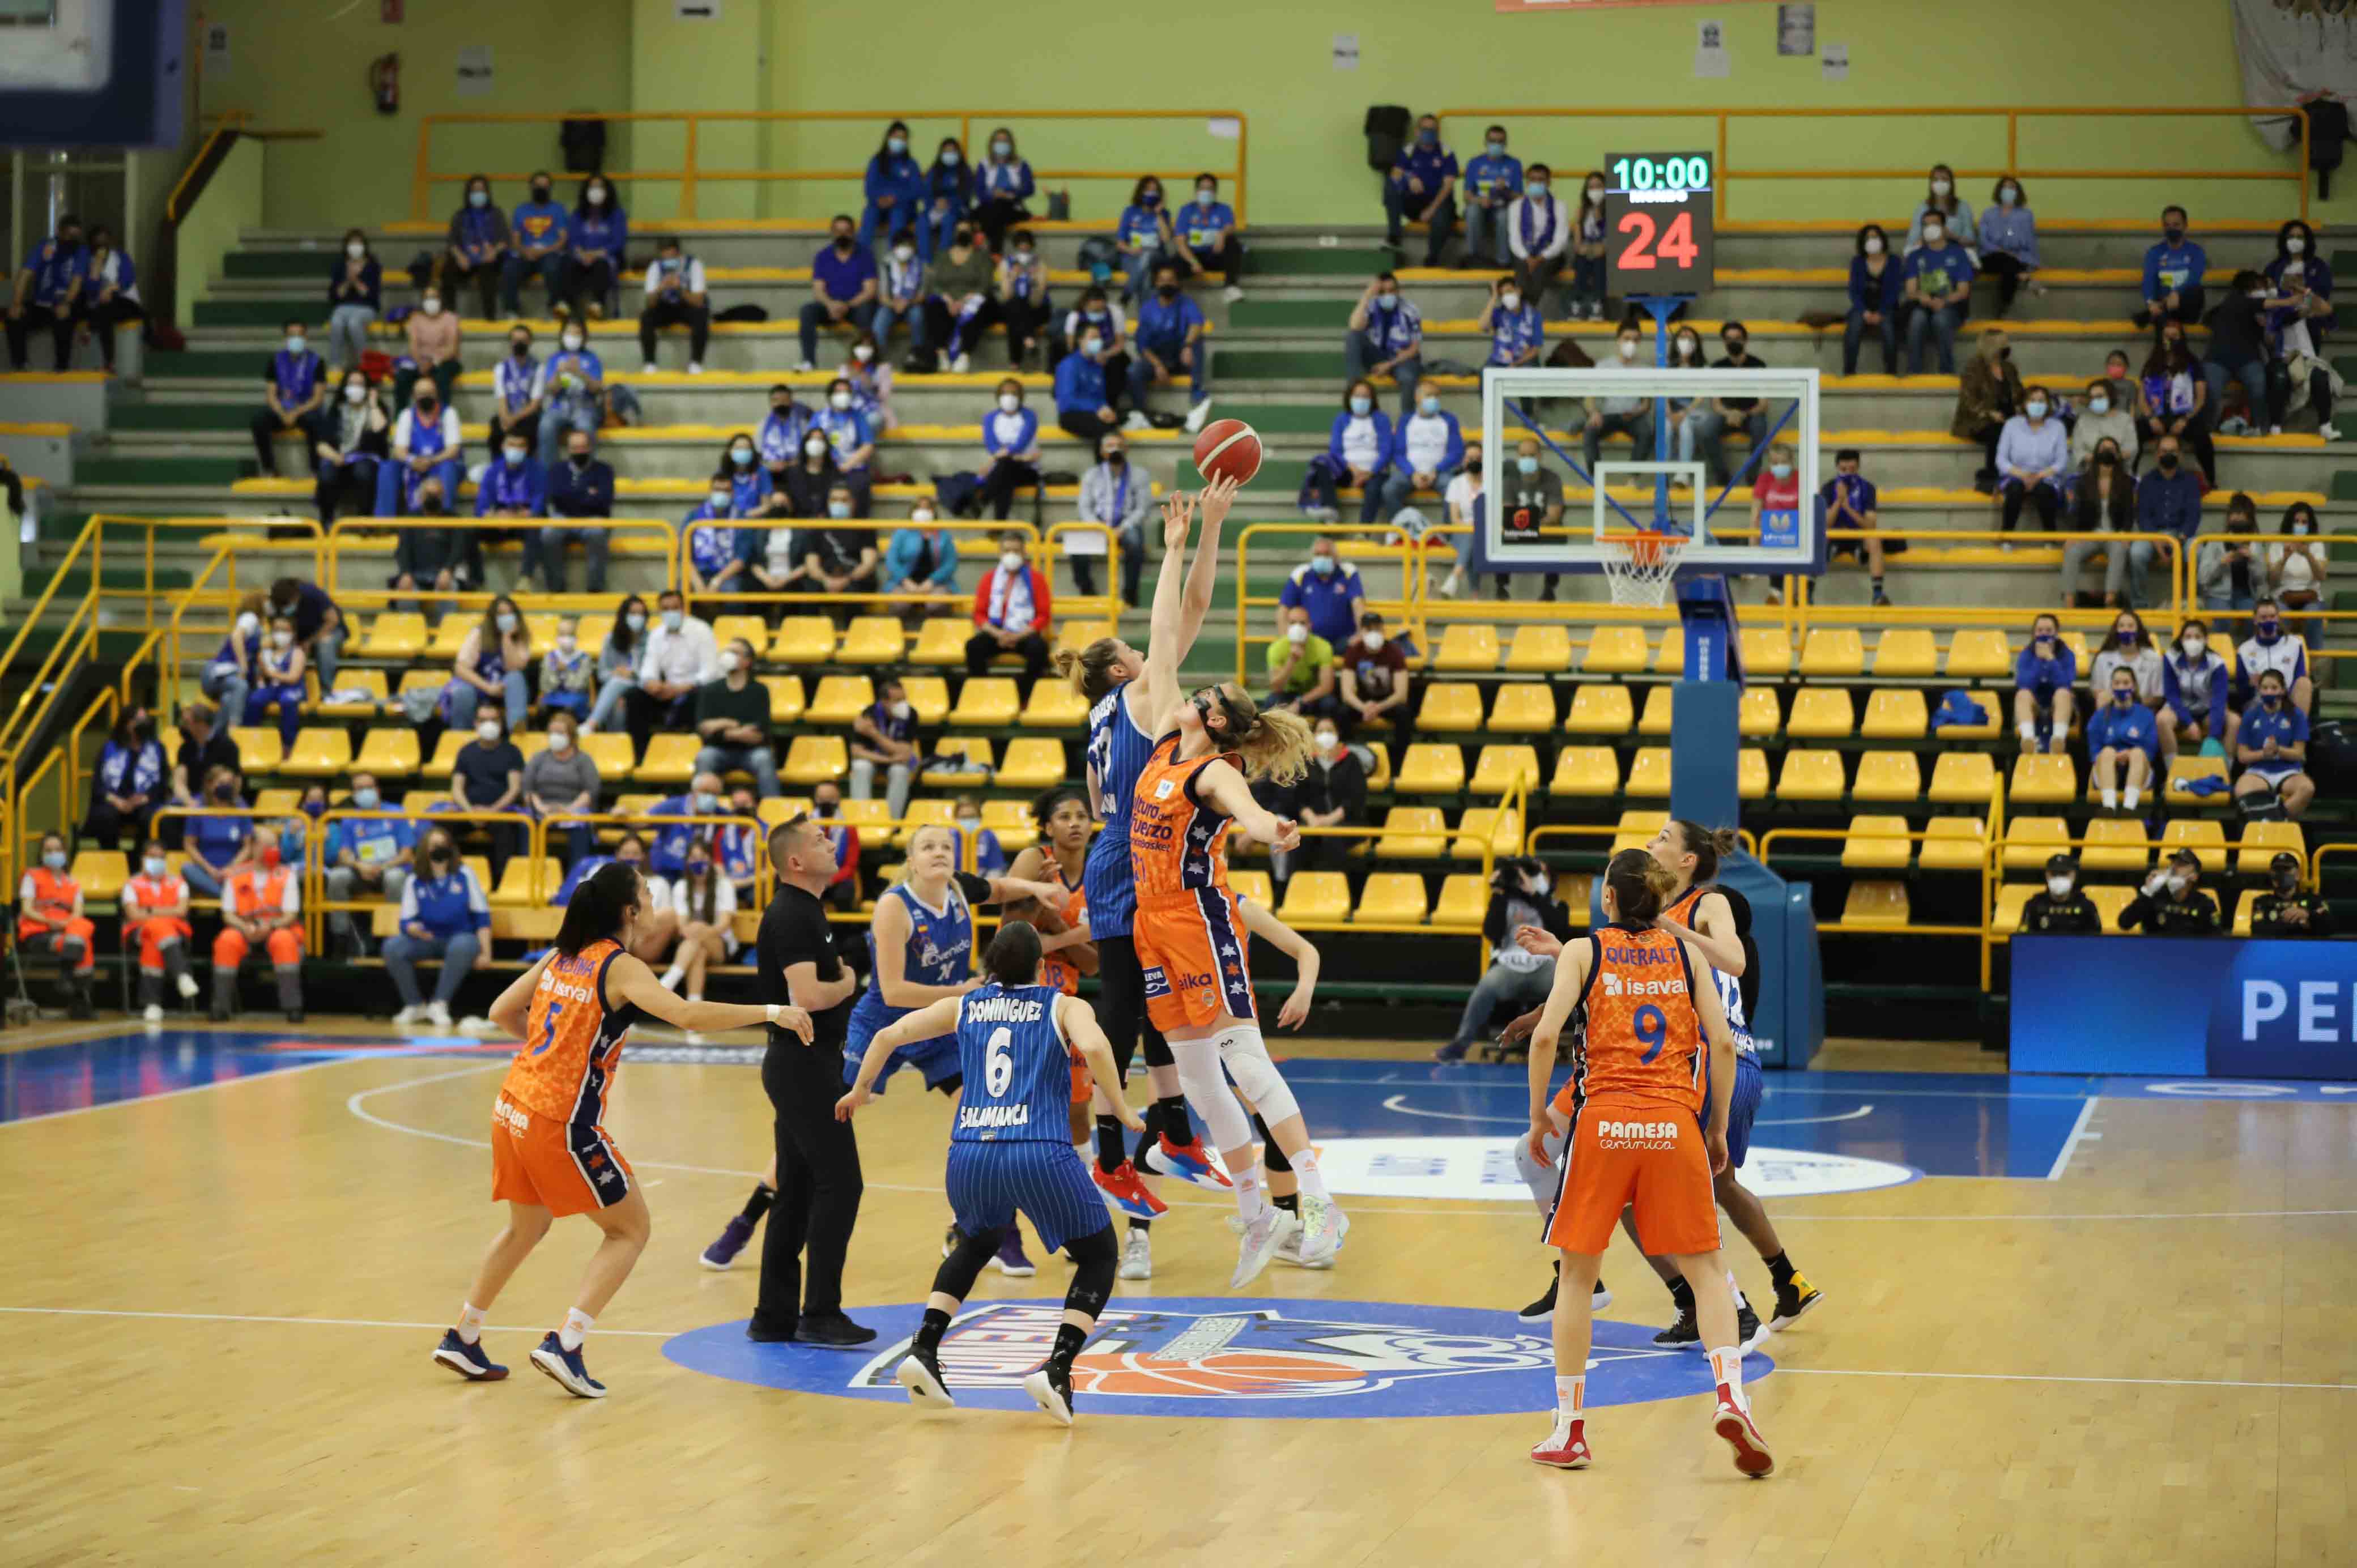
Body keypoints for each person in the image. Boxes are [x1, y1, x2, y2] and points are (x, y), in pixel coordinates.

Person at [432, 860, 807, 1395]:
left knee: (526, 1227)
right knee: (629, 1230)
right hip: (562, 1120)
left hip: (512, 1107)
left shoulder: (562, 954)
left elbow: (500, 1010)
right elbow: (687, 1015)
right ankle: (567, 1342)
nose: (656, 904)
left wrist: (548, 1056)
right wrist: (773, 1011)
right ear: (630, 911)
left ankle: (464, 1336)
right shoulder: (620, 966)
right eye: (649, 896)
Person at [1522, 849, 1770, 1476]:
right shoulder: (1688, 954)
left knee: (1578, 1276)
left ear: (1607, 899)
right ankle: (1730, 1395)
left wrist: (1534, 1117)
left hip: (1603, 1122)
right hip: (1673, 1122)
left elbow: (1545, 1035)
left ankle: (1569, 1429)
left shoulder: (1583, 950)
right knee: (1710, 1272)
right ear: (1660, 900)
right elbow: (1720, 1042)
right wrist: (1713, 1126)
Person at [843, 917, 1138, 1424]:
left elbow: (890, 1033)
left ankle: (923, 1349)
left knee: (977, 1242)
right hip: (1038, 1149)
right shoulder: (1063, 1003)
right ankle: (1059, 1368)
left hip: (970, 1151)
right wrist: (1124, 1108)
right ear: (1043, 967)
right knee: (1099, 1253)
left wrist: (861, 1089)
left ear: (990, 968)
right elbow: (1092, 1046)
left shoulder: (965, 1005)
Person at [1054, 480, 1240, 1268]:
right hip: (1131, 862)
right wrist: (1174, 547)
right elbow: (1173, 621)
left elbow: (1185, 615)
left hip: (1127, 857)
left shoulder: (1117, 712)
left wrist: (1212, 534)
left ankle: (1170, 1136)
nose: (1152, 649)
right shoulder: (1135, 695)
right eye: (1136, 652)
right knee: (1125, 1011)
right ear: (1119, 669)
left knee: (1157, 1006)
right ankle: (1112, 1153)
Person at [1132, 667, 1345, 1280]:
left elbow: (1247, 813)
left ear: (1216, 719)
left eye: (1201, 697)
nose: (1187, 697)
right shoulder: (1168, 745)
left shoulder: (1216, 770)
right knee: (1198, 1080)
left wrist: (1270, 830)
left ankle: (1318, 1203)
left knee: (1244, 1062)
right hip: (1153, 925)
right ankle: (1255, 1215)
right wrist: (1177, 564)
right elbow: (1163, 644)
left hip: (1199, 917)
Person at [744, 815, 873, 1345]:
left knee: (795, 1189)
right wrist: (849, 980)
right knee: (841, 1183)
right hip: (804, 1065)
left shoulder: (806, 910)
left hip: (802, 1064)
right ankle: (820, 1311)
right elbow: (808, 998)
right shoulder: (793, 913)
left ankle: (773, 1316)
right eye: (821, 840)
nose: (832, 844)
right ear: (796, 861)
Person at [1434, 857, 1569, 1064]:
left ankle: (1592, 1047)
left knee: (1575, 988)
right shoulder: (1504, 901)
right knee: (1485, 988)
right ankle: (1460, 1046)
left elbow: (1560, 930)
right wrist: (1498, 893)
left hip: (1545, 967)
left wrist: (1534, 894)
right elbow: (1492, 933)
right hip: (1508, 967)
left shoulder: (1556, 904)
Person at [384, 826, 494, 1028]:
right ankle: (414, 1005)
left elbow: (482, 916)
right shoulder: (414, 879)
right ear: (425, 849)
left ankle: (439, 1004)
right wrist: (412, 929)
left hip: (461, 937)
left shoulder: (465, 874)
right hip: (428, 939)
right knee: (393, 947)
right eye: (434, 845)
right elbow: (405, 921)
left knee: (462, 945)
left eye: (443, 845)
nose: (439, 849)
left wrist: (486, 952)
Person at [320, 773, 412, 960]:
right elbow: (344, 853)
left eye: (368, 788)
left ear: (377, 790)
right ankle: (342, 938)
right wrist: (359, 865)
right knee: (337, 877)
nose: (364, 792)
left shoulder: (396, 813)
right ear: (353, 795)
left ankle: (393, 936)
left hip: (390, 870)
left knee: (395, 878)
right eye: (358, 789)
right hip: (361, 873)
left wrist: (383, 867)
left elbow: (407, 854)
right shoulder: (349, 819)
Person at [1266, 719, 1368, 888]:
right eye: (1321, 731)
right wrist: (1312, 818)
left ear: (1338, 734)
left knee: (1332, 840)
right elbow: (1299, 797)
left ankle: (1335, 892)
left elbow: (1356, 798)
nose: (1325, 735)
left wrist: (1329, 820)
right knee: (1298, 841)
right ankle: (1295, 892)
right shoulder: (1307, 762)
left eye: (1330, 730)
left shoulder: (1352, 761)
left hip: (1347, 822)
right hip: (1313, 822)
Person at [211, 843, 304, 1023]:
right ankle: (220, 1007)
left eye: (275, 845)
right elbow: (228, 914)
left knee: (285, 940)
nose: (273, 850)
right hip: (244, 927)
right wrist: (245, 927)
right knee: (226, 941)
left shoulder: (287, 874)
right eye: (267, 845)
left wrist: (269, 926)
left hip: (277, 927)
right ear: (254, 849)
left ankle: (293, 1007)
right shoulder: (235, 875)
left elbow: (291, 915)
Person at [16, 832, 96, 1017]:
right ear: (42, 854)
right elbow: (27, 910)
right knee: (83, 941)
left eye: (58, 849)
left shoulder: (74, 883)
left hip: (66, 932)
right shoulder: (32, 877)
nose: (54, 854)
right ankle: (80, 1001)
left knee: (83, 927)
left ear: (65, 853)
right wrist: (50, 922)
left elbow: (77, 913)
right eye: (49, 850)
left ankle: (67, 978)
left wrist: (64, 924)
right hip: (38, 933)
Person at [657, 841, 741, 1014]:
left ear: (711, 861)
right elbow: (681, 925)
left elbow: (724, 925)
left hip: (720, 945)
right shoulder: (681, 887)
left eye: (703, 858)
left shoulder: (724, 885)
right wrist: (694, 930)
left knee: (696, 936)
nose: (699, 862)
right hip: (693, 944)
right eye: (694, 858)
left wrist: (700, 929)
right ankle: (694, 1009)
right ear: (687, 861)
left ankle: (670, 981)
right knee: (699, 952)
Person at [122, 840, 201, 1021]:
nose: (156, 861)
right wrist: (164, 913)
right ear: (143, 859)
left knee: (155, 938)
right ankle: (182, 975)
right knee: (156, 927)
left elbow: (181, 911)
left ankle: (153, 1004)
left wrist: (149, 911)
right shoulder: (132, 884)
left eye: (160, 858)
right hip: (140, 932)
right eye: (152, 857)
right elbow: (133, 915)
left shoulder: (179, 883)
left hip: (174, 932)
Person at [693, 636, 780, 799]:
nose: (728, 656)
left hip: (752, 752)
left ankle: (773, 810)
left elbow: (758, 733)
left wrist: (720, 729)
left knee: (764, 758)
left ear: (747, 661)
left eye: (734, 653)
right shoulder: (710, 690)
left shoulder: (760, 691)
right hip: (718, 751)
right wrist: (733, 725)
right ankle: (699, 807)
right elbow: (703, 727)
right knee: (705, 756)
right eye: (727, 652)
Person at [450, 709, 527, 885]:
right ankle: (452, 875)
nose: (489, 724)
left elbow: (514, 789)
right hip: (470, 811)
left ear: (501, 724)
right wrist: (471, 812)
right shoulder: (466, 752)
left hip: (500, 812)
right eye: (484, 720)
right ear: (475, 723)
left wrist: (491, 812)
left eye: (494, 719)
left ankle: (502, 882)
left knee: (506, 832)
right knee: (442, 827)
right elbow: (457, 789)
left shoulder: (512, 752)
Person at [1134, 260, 1212, 433]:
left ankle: (1197, 395)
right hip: (1158, 359)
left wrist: (1187, 345)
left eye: (1171, 280)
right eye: (1162, 280)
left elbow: (1197, 324)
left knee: (1197, 342)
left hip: (1181, 358)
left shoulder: (1186, 303)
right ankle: (1140, 414)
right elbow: (1142, 344)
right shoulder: (1147, 309)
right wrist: (1157, 365)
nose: (1167, 283)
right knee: (1134, 371)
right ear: (1156, 283)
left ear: (1177, 283)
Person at [1075, 431, 1151, 604]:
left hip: (1126, 525)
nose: (1114, 449)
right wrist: (1100, 528)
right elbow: (1084, 508)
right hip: (1097, 525)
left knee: (1135, 544)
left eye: (1118, 445)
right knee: (1077, 547)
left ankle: (1130, 594)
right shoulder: (1091, 475)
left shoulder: (1140, 475)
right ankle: (1086, 589)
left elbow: (1142, 508)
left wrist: (1123, 528)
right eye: (1109, 446)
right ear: (1102, 451)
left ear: (1126, 449)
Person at [1305, 380, 1393, 526]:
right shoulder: (1341, 419)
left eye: (1366, 397)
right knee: (1320, 466)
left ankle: (1364, 531)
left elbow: (1386, 451)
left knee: (1373, 490)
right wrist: (1351, 469)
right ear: (1350, 398)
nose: (1361, 400)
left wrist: (1369, 472)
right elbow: (1335, 450)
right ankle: (1330, 511)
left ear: (1372, 400)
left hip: (1374, 473)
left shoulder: (1381, 419)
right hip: (1347, 470)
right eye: (1358, 396)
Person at [967, 527, 1052, 679]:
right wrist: (999, 634)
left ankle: (1026, 695)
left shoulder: (1036, 579)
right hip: (997, 631)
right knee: (974, 647)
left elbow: (1043, 615)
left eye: (1016, 551)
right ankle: (983, 693)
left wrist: (1018, 636)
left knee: (1039, 649)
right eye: (1007, 551)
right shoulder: (989, 579)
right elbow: (979, 614)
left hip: (1024, 632)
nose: (1011, 555)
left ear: (1024, 553)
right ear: (1000, 554)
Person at [798, 215, 879, 373]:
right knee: (807, 311)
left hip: (856, 306)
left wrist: (846, 306)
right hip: (830, 306)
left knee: (867, 312)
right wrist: (831, 305)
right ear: (832, 233)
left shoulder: (865, 255)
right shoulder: (823, 256)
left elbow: (870, 291)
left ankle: (865, 363)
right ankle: (809, 361)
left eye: (846, 231)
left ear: (853, 233)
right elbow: (818, 289)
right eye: (838, 231)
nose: (842, 235)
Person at [2129, 434, 2203, 605]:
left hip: (2182, 534)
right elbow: (2143, 516)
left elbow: (2194, 515)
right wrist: (2156, 541)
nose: (2168, 454)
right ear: (2157, 455)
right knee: (2136, 554)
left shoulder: (2191, 481)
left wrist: (2180, 540)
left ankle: (2195, 601)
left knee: (2197, 552)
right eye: (2164, 451)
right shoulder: (2147, 481)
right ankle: (2140, 603)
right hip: (2153, 535)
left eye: (2173, 451)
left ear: (2180, 455)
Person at [376, 377, 463, 521]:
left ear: (437, 394)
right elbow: (399, 451)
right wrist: (413, 461)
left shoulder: (449, 413)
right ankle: (384, 523)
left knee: (448, 468)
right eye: (421, 393)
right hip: (414, 465)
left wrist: (430, 461)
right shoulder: (407, 415)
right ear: (414, 396)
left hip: (440, 464)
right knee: (387, 467)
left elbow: (453, 450)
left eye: (430, 393)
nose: (426, 397)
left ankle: (446, 523)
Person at [312, 369, 390, 527]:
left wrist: (373, 404)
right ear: (345, 387)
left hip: (366, 460)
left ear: (367, 388)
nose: (356, 388)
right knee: (327, 473)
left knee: (363, 471)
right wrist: (335, 457)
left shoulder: (376, 408)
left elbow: (381, 429)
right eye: (352, 384)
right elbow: (321, 445)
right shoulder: (336, 410)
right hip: (339, 459)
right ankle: (326, 520)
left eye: (360, 384)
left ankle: (364, 520)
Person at [2061, 440, 2136, 607]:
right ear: (2096, 453)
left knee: (2119, 550)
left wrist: (2125, 533)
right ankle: (2069, 599)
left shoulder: (2126, 482)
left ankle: (2110, 597)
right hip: (2090, 534)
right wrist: (2072, 536)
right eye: (2104, 449)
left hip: (2115, 534)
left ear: (2117, 455)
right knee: (2072, 552)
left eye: (2111, 449)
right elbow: (2075, 512)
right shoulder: (2083, 482)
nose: (2107, 452)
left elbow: (2130, 513)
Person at [250, 320, 327, 479]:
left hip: (306, 410)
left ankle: (316, 470)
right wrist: (281, 412)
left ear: (306, 337)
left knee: (317, 422)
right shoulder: (276, 360)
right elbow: (271, 395)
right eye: (292, 335)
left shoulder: (317, 361)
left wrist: (296, 413)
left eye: (300, 335)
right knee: (259, 421)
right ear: (286, 338)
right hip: (282, 410)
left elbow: (318, 398)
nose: (296, 339)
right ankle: (269, 469)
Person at [2140, 320, 2215, 485]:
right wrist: (2151, 417)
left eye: (2175, 336)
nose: (2171, 340)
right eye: (2167, 336)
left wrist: (2185, 419)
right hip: (2157, 416)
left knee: (2203, 438)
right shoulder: (2152, 363)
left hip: (2183, 416)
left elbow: (2201, 398)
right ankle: (2130, 476)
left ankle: (2211, 480)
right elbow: (2142, 397)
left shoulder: (2193, 363)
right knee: (2135, 432)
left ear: (2182, 338)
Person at [542, 428, 616, 594]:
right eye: (575, 448)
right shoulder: (557, 469)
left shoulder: (604, 470)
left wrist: (573, 494)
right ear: (568, 449)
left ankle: (595, 588)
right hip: (564, 518)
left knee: (597, 533)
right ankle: (555, 587)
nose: (579, 451)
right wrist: (588, 493)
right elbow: (555, 497)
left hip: (594, 519)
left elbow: (605, 500)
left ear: (590, 448)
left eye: (583, 447)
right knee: (548, 533)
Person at [1901, 212, 1976, 373]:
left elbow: (1963, 291)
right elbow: (1910, 291)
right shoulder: (1915, 256)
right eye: (1926, 225)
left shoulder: (1958, 253)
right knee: (1916, 320)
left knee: (1941, 320)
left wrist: (1944, 302)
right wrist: (1923, 298)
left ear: (1944, 228)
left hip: (1952, 305)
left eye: (1934, 224)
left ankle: (1946, 372)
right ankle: (1914, 373)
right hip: (1924, 304)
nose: (1929, 228)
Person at [84, 704, 166, 851]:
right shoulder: (109, 748)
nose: (143, 724)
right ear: (126, 724)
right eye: (138, 721)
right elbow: (98, 787)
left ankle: (139, 858)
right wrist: (117, 802)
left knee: (151, 817)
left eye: (145, 720)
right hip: (115, 801)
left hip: (145, 801)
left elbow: (162, 785)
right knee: (105, 816)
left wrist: (143, 799)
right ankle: (112, 859)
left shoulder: (158, 748)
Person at [444, 594, 530, 734]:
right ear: (493, 617)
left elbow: (515, 667)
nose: (506, 618)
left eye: (510, 613)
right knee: (462, 692)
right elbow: (460, 668)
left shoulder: (521, 638)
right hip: (480, 685)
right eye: (501, 614)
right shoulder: (479, 633)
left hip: (505, 688)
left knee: (516, 678)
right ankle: (460, 735)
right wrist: (488, 688)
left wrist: (507, 638)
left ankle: (517, 729)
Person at [2236, 668, 2315, 819]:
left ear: (2283, 690)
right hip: (2258, 771)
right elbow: (2242, 756)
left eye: (2274, 688)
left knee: (2307, 788)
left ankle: (2274, 820)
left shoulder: (2296, 715)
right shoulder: (2250, 716)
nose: (2269, 692)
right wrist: (2264, 754)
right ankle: (2274, 819)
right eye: (2265, 688)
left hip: (2289, 770)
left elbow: (2298, 753)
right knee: (2242, 790)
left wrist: (2279, 750)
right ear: (2259, 691)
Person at [1343, 272, 1423, 419]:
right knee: (1353, 337)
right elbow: (1354, 326)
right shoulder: (1372, 306)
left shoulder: (1410, 311)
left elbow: (1414, 349)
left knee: (1408, 377)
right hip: (1376, 355)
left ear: (1398, 291)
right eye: (1382, 292)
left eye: (1392, 291)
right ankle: (1354, 391)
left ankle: (1406, 422)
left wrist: (1389, 365)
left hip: (1400, 360)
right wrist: (1367, 296)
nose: (1388, 295)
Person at [1954, 327, 2024, 490]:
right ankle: (1991, 477)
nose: (2007, 345)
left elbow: (2019, 392)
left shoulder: (2009, 368)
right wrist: (1989, 413)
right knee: (1998, 432)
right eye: (2003, 342)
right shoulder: (1974, 367)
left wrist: (2022, 405)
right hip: (1980, 419)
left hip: (2008, 416)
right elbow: (1968, 399)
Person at [1383, 389, 1466, 527]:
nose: (1433, 399)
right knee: (1389, 490)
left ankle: (1449, 535)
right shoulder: (1406, 420)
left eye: (1436, 396)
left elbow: (1456, 452)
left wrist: (1436, 471)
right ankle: (1403, 532)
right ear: (1417, 397)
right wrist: (1412, 473)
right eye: (1429, 395)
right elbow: (1398, 453)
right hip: (1410, 473)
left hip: (1440, 473)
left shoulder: (1449, 420)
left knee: (1453, 489)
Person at [1385, 114, 1460, 267]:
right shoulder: (1409, 151)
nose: (1429, 133)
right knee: (1390, 185)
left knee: (1442, 215)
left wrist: (1432, 210)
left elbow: (1448, 186)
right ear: (1417, 131)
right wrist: (1409, 177)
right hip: (1414, 202)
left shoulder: (1447, 153)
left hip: (1438, 203)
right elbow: (1395, 174)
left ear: (1438, 132)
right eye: (1425, 129)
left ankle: (1433, 257)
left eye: (1433, 130)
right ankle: (1394, 235)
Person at [1584, 320, 1657, 476]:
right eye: (1627, 339)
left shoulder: (1646, 369)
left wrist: (1635, 413)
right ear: (1618, 340)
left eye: (1635, 340)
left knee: (1646, 433)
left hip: (1634, 417)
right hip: (1608, 415)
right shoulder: (1604, 366)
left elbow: (1646, 404)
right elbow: (1589, 396)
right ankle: (1595, 478)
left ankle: (1632, 479)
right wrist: (1594, 412)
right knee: (1590, 431)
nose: (1631, 343)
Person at [925, 222, 998, 375]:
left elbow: (985, 285)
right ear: (954, 234)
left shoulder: (982, 257)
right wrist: (949, 300)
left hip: (973, 300)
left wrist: (965, 301)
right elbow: (934, 284)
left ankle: (964, 356)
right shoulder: (942, 256)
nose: (963, 234)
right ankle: (942, 355)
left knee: (979, 310)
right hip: (947, 300)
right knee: (933, 307)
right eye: (960, 231)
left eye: (966, 231)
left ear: (972, 234)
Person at [1338, 611, 1413, 756]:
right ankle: (1350, 755)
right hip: (1363, 703)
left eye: (1377, 629)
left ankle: (1400, 760)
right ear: (1361, 632)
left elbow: (1401, 694)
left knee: (1404, 713)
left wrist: (1378, 708)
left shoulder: (1395, 652)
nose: (1373, 633)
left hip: (1388, 703)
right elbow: (1346, 693)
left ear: (1383, 630)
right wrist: (1363, 708)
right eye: (1368, 629)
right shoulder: (1353, 652)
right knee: (1342, 712)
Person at [1821, 449, 1890, 606]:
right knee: (1814, 538)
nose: (1847, 473)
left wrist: (1848, 507)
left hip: (1858, 537)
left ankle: (1878, 594)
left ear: (1858, 468)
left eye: (1852, 470)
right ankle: (1806, 595)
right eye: (1843, 470)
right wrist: (1838, 501)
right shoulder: (1828, 488)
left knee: (1874, 539)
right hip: (1835, 537)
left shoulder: (1868, 488)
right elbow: (1825, 524)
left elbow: (1871, 525)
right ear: (1837, 468)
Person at [2088, 663, 2161, 813]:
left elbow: (2151, 749)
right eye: (2117, 683)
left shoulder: (2146, 715)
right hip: (2108, 767)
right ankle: (2109, 806)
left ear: (2133, 686)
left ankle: (2129, 807)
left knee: (2138, 753)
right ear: (2112, 687)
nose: (2121, 687)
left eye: (2126, 683)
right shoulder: (2100, 716)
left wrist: (2129, 754)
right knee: (2107, 751)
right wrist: (2115, 756)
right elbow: (2094, 750)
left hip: (2139, 768)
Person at [1996, 385, 2066, 535]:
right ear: (2024, 404)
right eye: (2032, 400)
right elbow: (2001, 459)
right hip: (2016, 474)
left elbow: (2061, 462)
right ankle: (2006, 537)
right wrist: (2023, 476)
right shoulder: (2012, 425)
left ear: (2047, 405)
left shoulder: (2058, 427)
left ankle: (2050, 537)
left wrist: (2038, 476)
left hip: (2047, 476)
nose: (2037, 404)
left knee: (2044, 490)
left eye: (2041, 401)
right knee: (2015, 489)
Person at [1278, 532, 1369, 649]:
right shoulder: (1300, 574)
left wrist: (1360, 634)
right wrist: (1285, 641)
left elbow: (1358, 604)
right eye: (1318, 555)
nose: (1322, 558)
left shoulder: (1348, 572)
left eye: (1326, 554)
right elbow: (1283, 610)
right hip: (1309, 641)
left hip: (1343, 640)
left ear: (1336, 557)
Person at [2161, 617, 2235, 761]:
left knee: (2234, 721)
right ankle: (2171, 768)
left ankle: (2226, 770)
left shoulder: (2217, 663)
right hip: (2179, 709)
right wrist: (2189, 722)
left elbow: (2219, 701)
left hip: (2207, 709)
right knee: (2162, 720)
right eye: (2188, 637)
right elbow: (2171, 695)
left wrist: (2213, 736)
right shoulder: (2170, 659)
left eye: (2198, 637)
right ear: (2181, 640)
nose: (2192, 641)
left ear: (2206, 640)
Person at [70, 224, 141, 370]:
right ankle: (106, 361)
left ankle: (93, 334)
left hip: (127, 303)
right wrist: (95, 270)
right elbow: (90, 291)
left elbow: (127, 280)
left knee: (106, 306)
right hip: (103, 307)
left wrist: (109, 289)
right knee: (101, 309)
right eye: (98, 243)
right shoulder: (90, 262)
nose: (102, 246)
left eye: (105, 242)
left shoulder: (120, 257)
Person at [637, 234, 708, 374]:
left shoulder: (694, 265)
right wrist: (660, 289)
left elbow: (699, 301)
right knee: (646, 317)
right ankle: (649, 363)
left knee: (702, 314)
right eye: (665, 256)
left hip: (687, 306)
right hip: (665, 307)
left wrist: (679, 289)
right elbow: (649, 303)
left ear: (677, 253)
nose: (668, 260)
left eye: (671, 256)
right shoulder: (655, 267)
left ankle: (696, 363)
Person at [849, 674, 918, 819]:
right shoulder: (869, 713)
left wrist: (873, 733)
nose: (903, 704)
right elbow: (856, 752)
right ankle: (862, 820)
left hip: (896, 763)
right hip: (876, 761)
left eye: (904, 699)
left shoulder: (911, 714)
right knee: (861, 767)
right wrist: (889, 760)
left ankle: (891, 823)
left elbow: (904, 754)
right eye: (898, 700)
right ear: (884, 702)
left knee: (900, 771)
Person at [1506, 164, 1572, 317]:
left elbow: (1561, 240)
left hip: (1551, 256)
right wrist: (1528, 258)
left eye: (1541, 180)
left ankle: (1522, 311)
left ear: (1549, 183)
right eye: (1533, 180)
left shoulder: (1559, 206)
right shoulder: (1516, 206)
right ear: (1527, 183)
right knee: (1522, 270)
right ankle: (1526, 312)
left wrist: (1541, 257)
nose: (1536, 183)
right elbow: (1514, 240)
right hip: (1524, 254)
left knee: (1540, 269)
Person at [437, 176, 504, 322]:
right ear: (468, 193)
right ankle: (450, 318)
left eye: (481, 190)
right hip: (465, 259)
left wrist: (494, 252)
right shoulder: (460, 216)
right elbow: (452, 242)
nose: (478, 194)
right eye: (474, 190)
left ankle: (490, 318)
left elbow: (504, 240)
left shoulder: (496, 214)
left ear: (487, 192)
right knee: (447, 272)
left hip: (488, 259)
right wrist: (460, 256)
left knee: (488, 273)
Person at [810, 378, 877, 515]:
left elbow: (868, 446)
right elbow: (810, 442)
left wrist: (847, 466)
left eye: (847, 392)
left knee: (860, 485)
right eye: (839, 392)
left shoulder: (858, 416)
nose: (843, 395)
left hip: (852, 468)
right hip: (826, 467)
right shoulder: (820, 417)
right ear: (830, 396)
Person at [2238, 596, 2313, 716]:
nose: (2269, 621)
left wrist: (2281, 692)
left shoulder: (2294, 644)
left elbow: (2299, 676)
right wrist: (2250, 684)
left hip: (2286, 698)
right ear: (2255, 620)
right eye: (2264, 618)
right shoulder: (2244, 650)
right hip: (2259, 700)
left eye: (2272, 617)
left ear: (2278, 618)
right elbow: (2242, 692)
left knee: (2304, 683)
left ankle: (2299, 731)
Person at [2014, 612, 2077, 755]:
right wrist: (2038, 661)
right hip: (2035, 707)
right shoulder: (2026, 655)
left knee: (2063, 693)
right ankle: (2028, 741)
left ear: (2057, 633)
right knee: (2022, 694)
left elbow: (2065, 683)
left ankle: (2058, 741)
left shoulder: (2067, 655)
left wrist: (2050, 659)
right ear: (2034, 633)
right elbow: (2024, 684)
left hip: (2060, 707)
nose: (2044, 634)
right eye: (2040, 631)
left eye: (2049, 631)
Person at [1176, 173, 1245, 302]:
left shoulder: (1223, 209)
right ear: (1197, 191)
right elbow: (1180, 242)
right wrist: (1193, 262)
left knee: (1234, 244)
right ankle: (1175, 298)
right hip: (1194, 258)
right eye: (1203, 188)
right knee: (1173, 262)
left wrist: (1222, 234)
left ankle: (1231, 287)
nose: (1206, 192)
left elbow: (1231, 226)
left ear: (1215, 192)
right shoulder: (1187, 211)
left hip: (1215, 255)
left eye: (1210, 189)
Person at [2120, 847, 2222, 935]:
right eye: (2173, 863)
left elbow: (2217, 938)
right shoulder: (2154, 898)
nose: (2173, 868)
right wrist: (2147, 893)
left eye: (2181, 864)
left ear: (2194, 876)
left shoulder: (2204, 903)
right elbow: (2124, 924)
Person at [1461, 123, 1522, 269]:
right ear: (1485, 143)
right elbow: (1467, 195)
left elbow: (1519, 197)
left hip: (1503, 207)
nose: (1496, 145)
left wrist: (1506, 190)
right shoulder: (1475, 163)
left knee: (1504, 217)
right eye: (1492, 141)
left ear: (1506, 144)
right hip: (1481, 206)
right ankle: (1474, 258)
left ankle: (1504, 262)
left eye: (1500, 142)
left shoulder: (1514, 164)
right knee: (1472, 211)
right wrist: (1480, 200)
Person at [1844, 223, 1901, 376]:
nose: (1872, 240)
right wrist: (1865, 312)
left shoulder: (1894, 261)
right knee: (1853, 328)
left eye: (1875, 237)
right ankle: (1849, 373)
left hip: (1887, 308)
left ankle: (1891, 374)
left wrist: (1881, 313)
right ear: (1863, 242)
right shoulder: (1857, 262)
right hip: (1862, 308)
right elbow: (1853, 291)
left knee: (1889, 330)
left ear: (1882, 239)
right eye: (1868, 238)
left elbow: (1895, 291)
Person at [1977, 176, 2040, 316]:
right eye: (2005, 187)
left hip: (2015, 259)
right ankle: (2025, 278)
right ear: (1999, 191)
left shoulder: (2026, 215)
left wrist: (2032, 261)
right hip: (1991, 257)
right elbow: (1983, 240)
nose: (2008, 190)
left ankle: (2003, 308)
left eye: (2012, 187)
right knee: (2007, 260)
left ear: (2018, 192)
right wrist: (2001, 251)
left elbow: (2030, 241)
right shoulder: (1988, 214)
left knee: (2010, 267)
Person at [858, 121, 925, 252]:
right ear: (888, 138)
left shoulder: (911, 164)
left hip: (903, 209)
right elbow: (869, 188)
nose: (898, 141)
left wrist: (895, 198)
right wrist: (879, 199)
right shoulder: (876, 162)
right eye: (896, 137)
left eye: (902, 138)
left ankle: (894, 256)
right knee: (869, 214)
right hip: (879, 206)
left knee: (897, 214)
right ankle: (862, 257)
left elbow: (917, 190)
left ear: (906, 142)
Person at [1052, 319, 1121, 446]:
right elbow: (1067, 400)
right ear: (1081, 340)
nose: (1098, 341)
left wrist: (1106, 410)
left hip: (1094, 412)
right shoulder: (1069, 365)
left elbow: (1101, 397)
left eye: (1099, 338)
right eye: (1093, 338)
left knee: (1114, 423)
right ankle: (1103, 466)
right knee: (1104, 429)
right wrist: (1096, 409)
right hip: (1071, 414)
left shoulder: (1098, 366)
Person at [394, 284, 462, 412]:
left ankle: (443, 417)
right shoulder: (416, 319)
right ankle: (401, 417)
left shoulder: (451, 318)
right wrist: (421, 363)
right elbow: (413, 346)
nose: (431, 301)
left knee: (442, 376)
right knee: (402, 377)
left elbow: (452, 349)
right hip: (420, 362)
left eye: (434, 297)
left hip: (444, 361)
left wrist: (433, 363)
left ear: (441, 299)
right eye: (427, 298)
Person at [2137, 205, 2207, 329]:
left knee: (2196, 291)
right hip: (2164, 304)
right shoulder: (2155, 253)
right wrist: (2150, 303)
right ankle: (2159, 315)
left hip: (2186, 305)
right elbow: (2148, 280)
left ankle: (2158, 316)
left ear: (2185, 226)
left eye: (2176, 225)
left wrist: (2177, 294)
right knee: (2160, 311)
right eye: (2167, 225)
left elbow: (2194, 278)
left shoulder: (2196, 252)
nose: (2172, 229)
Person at [245, 612, 308, 751]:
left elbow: (293, 677)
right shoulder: (266, 653)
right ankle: (249, 738)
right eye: (277, 630)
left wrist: (271, 673)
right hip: (273, 688)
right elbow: (261, 677)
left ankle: (288, 745)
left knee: (288, 701)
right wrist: (262, 676)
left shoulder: (297, 653)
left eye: (285, 630)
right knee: (255, 699)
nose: (280, 634)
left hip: (292, 688)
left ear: (292, 633)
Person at [1264, 604, 1339, 718]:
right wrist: (1292, 661)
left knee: (1330, 703)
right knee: (1271, 702)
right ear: (1287, 626)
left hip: (1313, 696)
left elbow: (1327, 686)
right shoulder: (1276, 649)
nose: (1297, 627)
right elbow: (1276, 687)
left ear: (1310, 626)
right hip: (1288, 695)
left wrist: (1300, 702)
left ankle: (1323, 732)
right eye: (1293, 623)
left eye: (1302, 623)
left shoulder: (1323, 647)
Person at [880, 500, 959, 607]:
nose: (923, 512)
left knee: (935, 605)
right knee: (900, 604)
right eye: (919, 508)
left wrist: (932, 581)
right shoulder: (901, 533)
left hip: (938, 583)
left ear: (933, 512)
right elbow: (891, 561)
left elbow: (950, 563)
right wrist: (906, 581)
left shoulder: (943, 534)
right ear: (913, 511)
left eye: (927, 508)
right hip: (903, 583)